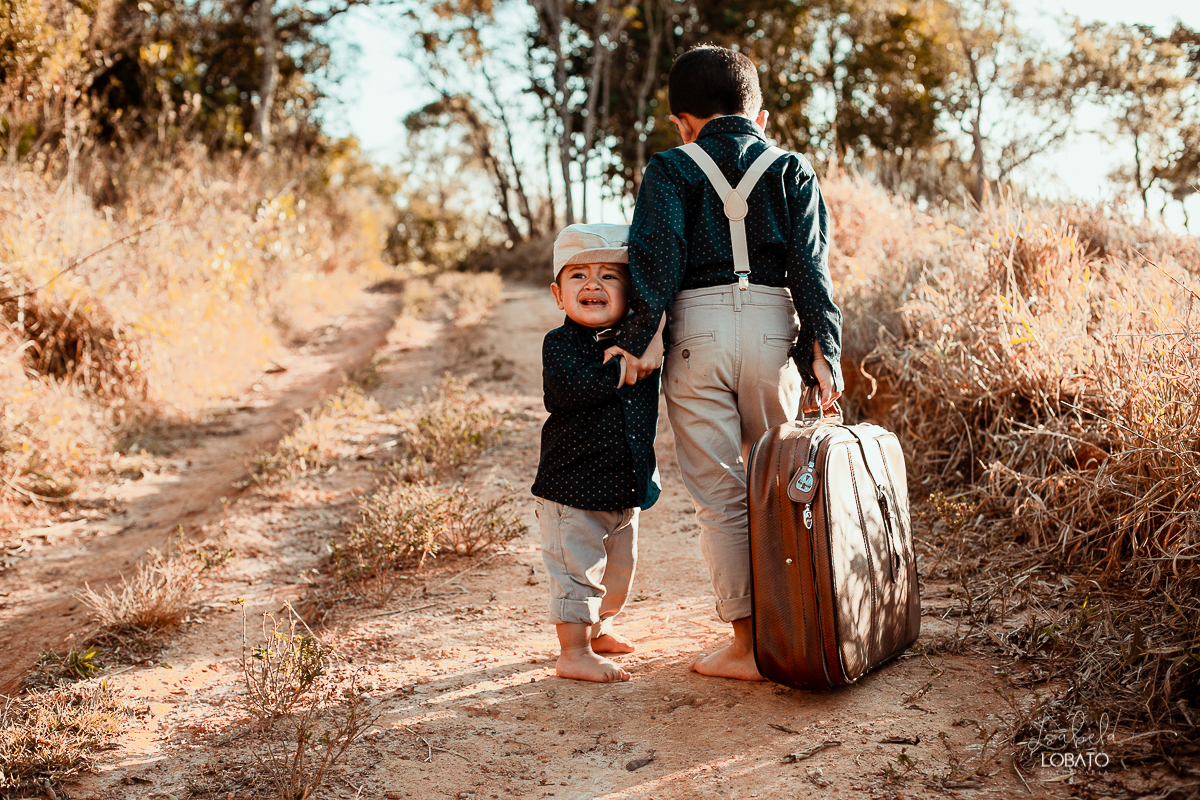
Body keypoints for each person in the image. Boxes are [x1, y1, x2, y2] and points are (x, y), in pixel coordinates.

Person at [604, 45, 844, 682]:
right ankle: (797, 622)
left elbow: (655, 262)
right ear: (758, 116)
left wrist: (641, 335)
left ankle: (746, 645)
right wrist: (825, 350)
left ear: (683, 122)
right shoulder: (791, 167)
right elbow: (812, 271)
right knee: (779, 483)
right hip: (772, 329)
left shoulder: (670, 168)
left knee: (721, 497)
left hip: (696, 332)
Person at [531, 223, 664, 683]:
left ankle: (600, 628)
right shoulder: (561, 345)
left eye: (609, 275)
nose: (593, 284)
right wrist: (621, 369)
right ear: (558, 294)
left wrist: (641, 349)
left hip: (625, 485)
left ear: (631, 292)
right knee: (577, 573)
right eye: (579, 276)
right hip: (572, 487)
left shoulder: (639, 343)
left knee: (618, 571)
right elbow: (566, 392)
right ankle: (573, 651)